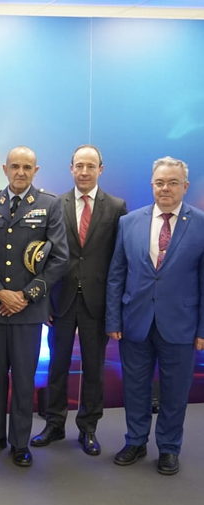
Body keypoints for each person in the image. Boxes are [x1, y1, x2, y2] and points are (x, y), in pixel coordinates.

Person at [0, 146, 68, 467]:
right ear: (5, 169)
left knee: (24, 378)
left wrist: (25, 296)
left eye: (27, 167)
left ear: (36, 170)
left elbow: (58, 258)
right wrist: (0, 292)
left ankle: (20, 443)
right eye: (15, 166)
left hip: (29, 309)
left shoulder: (50, 205)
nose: (21, 172)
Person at [106, 156, 204, 476]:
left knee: (175, 391)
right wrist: (113, 319)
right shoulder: (129, 222)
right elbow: (116, 274)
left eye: (173, 182)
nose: (166, 188)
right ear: (152, 184)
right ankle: (135, 441)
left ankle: (169, 448)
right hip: (135, 321)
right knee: (135, 387)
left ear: (184, 187)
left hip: (181, 324)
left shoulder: (201, 224)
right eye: (160, 182)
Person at [31, 146, 126, 456]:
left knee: (94, 369)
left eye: (91, 166)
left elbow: (119, 260)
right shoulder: (55, 204)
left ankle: (88, 428)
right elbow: (43, 258)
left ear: (101, 169)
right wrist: (43, 301)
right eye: (79, 166)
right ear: (71, 168)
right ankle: (54, 424)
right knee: (57, 366)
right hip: (60, 300)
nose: (84, 171)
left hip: (97, 303)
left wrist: (115, 308)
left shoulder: (116, 207)